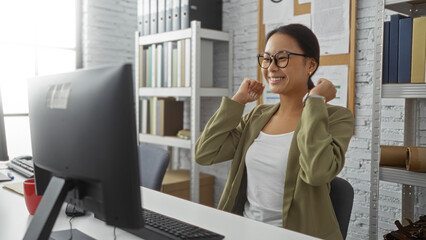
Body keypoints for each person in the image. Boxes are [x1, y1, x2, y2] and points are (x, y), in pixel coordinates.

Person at [194, 24, 354, 240]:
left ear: (311, 64)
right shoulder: (257, 116)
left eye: (282, 58)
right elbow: (205, 153)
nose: (271, 67)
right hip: (245, 232)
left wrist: (315, 102)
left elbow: (317, 172)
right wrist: (238, 101)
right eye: (267, 58)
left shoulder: (336, 118)